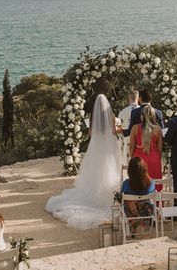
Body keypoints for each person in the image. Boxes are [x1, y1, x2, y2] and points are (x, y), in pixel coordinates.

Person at [45, 94, 121, 229]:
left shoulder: (93, 117)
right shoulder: (112, 116)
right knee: (109, 168)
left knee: (97, 169)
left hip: (97, 147)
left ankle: (95, 191)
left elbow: (91, 134)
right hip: (108, 148)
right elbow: (114, 133)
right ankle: (108, 191)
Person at [120, 156, 156, 236]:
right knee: (145, 202)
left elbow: (122, 197)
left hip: (130, 214)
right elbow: (152, 193)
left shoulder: (126, 184)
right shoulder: (151, 183)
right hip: (146, 212)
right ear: (144, 169)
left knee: (127, 203)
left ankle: (134, 223)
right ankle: (142, 221)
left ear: (130, 171)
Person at [129, 105, 164, 180]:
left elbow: (131, 147)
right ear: (153, 116)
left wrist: (132, 158)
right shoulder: (158, 129)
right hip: (154, 159)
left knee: (138, 182)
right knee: (155, 183)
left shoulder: (135, 128)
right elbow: (160, 149)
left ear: (142, 116)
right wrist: (157, 158)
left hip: (138, 159)